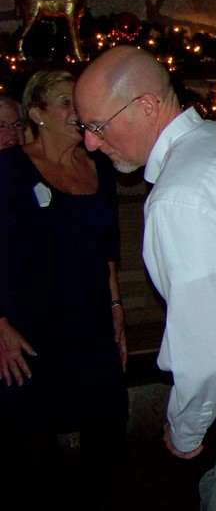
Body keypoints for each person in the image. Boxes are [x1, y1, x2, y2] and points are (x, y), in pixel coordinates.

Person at [74, 47, 216, 511]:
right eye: (84, 128)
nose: (90, 143)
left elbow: (204, 345)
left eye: (97, 126)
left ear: (147, 106)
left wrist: (186, 427)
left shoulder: (179, 196)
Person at [0, 70, 128, 509]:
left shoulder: (100, 169)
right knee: (33, 459)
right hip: (27, 331)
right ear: (36, 113)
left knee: (107, 434)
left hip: (89, 325)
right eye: (64, 102)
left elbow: (106, 250)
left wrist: (116, 308)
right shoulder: (9, 170)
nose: (78, 112)